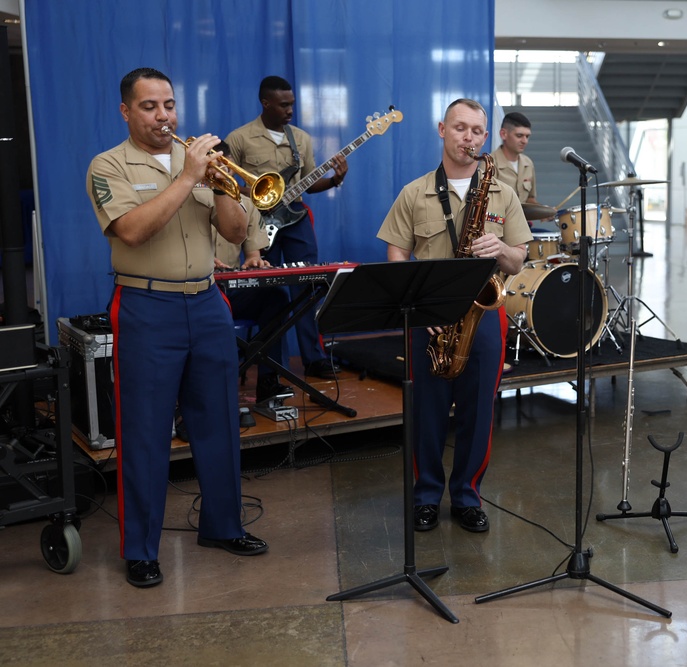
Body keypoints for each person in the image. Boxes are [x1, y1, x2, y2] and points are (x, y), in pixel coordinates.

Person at [85, 67, 268, 588]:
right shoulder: (109, 166)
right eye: (149, 106)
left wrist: (224, 184)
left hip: (207, 303)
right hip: (146, 306)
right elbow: (133, 231)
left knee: (219, 424)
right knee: (144, 433)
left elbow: (233, 232)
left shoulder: (202, 163)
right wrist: (188, 177)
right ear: (126, 112)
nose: (163, 116)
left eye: (168, 104)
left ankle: (223, 526)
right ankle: (140, 549)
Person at [377, 98, 533, 532]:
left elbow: (518, 259)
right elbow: (396, 251)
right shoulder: (414, 192)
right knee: (426, 413)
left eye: (476, 132)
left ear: (486, 137)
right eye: (460, 128)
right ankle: (426, 496)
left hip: (483, 317)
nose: (468, 138)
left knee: (478, 413)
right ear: (442, 129)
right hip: (429, 319)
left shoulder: (502, 193)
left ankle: (467, 496)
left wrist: (499, 248)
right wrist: (418, 303)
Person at [225, 75, 347, 380]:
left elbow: (308, 181)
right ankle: (271, 366)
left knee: (307, 286)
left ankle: (314, 359)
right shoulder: (239, 138)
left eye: (292, 104)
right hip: (259, 222)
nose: (290, 110)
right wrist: (254, 199)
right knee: (270, 290)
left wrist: (334, 180)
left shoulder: (301, 139)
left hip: (295, 220)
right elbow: (225, 183)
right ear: (266, 103)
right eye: (283, 105)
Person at [210, 141, 292, 405]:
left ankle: (268, 382)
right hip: (200, 291)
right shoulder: (187, 199)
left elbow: (253, 254)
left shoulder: (246, 203)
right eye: (215, 164)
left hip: (230, 291)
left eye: (227, 165)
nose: (223, 170)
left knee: (276, 298)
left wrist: (254, 262)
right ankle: (215, 387)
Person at [491, 111, 538, 205]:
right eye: (519, 136)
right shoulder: (490, 163)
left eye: (527, 136)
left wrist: (545, 211)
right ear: (503, 134)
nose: (524, 141)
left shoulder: (528, 163)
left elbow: (530, 199)